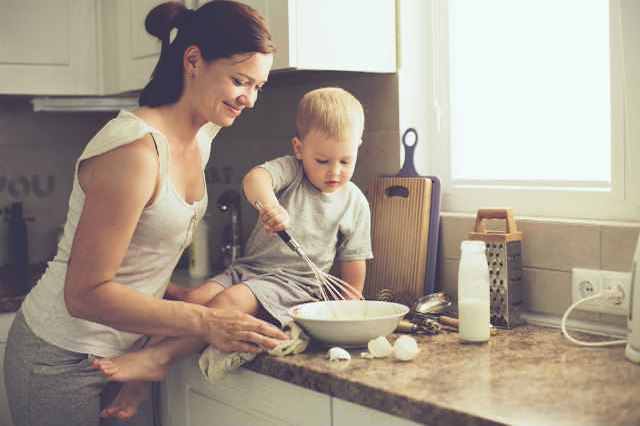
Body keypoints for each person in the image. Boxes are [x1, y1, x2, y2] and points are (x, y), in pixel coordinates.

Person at [3, 1, 290, 425]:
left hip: (128, 352)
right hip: (59, 359)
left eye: (258, 86)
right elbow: (83, 293)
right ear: (193, 60)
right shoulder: (135, 151)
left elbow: (140, 245)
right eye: (239, 81)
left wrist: (168, 291)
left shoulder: (204, 132)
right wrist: (205, 322)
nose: (249, 99)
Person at [91, 86, 373, 410]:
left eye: (345, 160)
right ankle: (139, 383)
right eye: (322, 160)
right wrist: (269, 206)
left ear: (358, 149)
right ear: (299, 148)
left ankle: (159, 357)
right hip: (250, 270)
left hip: (295, 285)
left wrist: (351, 313)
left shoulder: (355, 203)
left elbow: (354, 274)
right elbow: (256, 179)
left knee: (226, 302)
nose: (334, 171)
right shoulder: (292, 172)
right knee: (195, 302)